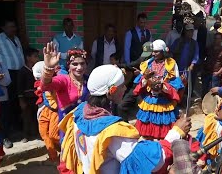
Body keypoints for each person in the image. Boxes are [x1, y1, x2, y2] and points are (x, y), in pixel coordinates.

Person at [57, 64, 192, 174]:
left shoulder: (78, 114)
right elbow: (150, 161)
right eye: (122, 85)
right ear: (112, 91)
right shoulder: (112, 132)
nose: (125, 88)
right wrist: (176, 132)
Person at [41, 42, 90, 171]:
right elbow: (45, 86)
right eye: (75, 64)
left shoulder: (89, 80)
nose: (79, 67)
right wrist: (48, 68)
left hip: (86, 127)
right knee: (70, 161)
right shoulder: (63, 80)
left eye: (82, 64)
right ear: (68, 65)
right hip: (68, 129)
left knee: (86, 159)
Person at [133, 39, 184, 139]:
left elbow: (175, 83)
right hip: (150, 100)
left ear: (163, 52)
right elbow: (141, 82)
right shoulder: (147, 64)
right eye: (152, 51)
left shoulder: (171, 64)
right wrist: (146, 79)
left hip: (164, 100)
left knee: (164, 130)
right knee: (147, 129)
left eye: (156, 52)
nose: (153, 54)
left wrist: (162, 86)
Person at [117, 42, 154, 122]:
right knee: (121, 106)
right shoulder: (142, 59)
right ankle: (125, 128)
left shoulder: (158, 63)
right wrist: (118, 65)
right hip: (136, 87)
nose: (146, 57)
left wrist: (141, 73)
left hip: (148, 90)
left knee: (143, 109)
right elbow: (131, 65)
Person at [33, 61, 60, 163]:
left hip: (54, 111)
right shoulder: (38, 83)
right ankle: (53, 157)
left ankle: (67, 151)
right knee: (44, 134)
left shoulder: (56, 81)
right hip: (43, 110)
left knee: (54, 135)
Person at [17, 47, 40, 142]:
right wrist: (21, 100)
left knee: (37, 116)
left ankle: (38, 133)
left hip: (37, 98)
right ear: (28, 58)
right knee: (26, 117)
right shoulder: (22, 71)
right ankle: (25, 135)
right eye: (35, 56)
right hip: (27, 98)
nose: (37, 59)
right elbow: (19, 87)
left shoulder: (37, 70)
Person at [171, 23, 199, 92]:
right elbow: (171, 51)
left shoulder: (194, 43)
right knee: (175, 84)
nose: (190, 33)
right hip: (177, 67)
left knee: (185, 85)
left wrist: (192, 64)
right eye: (188, 31)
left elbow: (196, 55)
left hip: (187, 68)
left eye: (191, 31)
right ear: (185, 32)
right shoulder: (178, 41)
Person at [202, 33, 222, 97]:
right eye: (215, 38)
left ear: (221, 40)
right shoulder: (209, 48)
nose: (216, 40)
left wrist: (219, 72)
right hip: (207, 72)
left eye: (218, 39)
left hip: (215, 73)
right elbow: (204, 57)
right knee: (204, 88)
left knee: (213, 90)